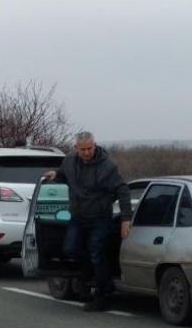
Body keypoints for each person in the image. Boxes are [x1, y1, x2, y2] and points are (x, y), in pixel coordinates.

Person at [43, 131, 132, 312]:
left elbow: (122, 190)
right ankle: (87, 275)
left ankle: (103, 293)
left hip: (100, 217)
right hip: (78, 216)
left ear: (94, 145)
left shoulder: (107, 166)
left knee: (97, 252)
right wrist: (56, 174)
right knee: (70, 249)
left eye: (89, 148)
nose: (86, 152)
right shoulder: (69, 161)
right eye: (82, 149)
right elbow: (64, 174)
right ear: (76, 148)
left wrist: (126, 218)